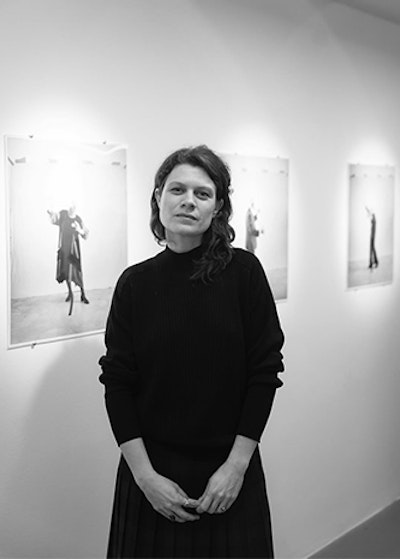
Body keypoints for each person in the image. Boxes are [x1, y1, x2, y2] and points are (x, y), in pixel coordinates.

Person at [99, 145, 284, 558]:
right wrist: (145, 478)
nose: (188, 201)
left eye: (202, 193)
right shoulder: (134, 284)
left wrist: (235, 468)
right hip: (150, 479)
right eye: (177, 189)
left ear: (217, 207)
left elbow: (264, 372)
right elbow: (117, 383)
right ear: (158, 197)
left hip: (228, 476)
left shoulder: (243, 274)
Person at [47, 203, 90, 315]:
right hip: (64, 248)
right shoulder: (63, 215)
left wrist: (79, 229)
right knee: (65, 270)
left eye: (73, 206)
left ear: (76, 207)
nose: (71, 208)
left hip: (74, 250)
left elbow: (85, 234)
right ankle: (70, 292)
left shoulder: (78, 219)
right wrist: (50, 213)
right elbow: (54, 220)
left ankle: (83, 294)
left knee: (77, 271)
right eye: (70, 206)